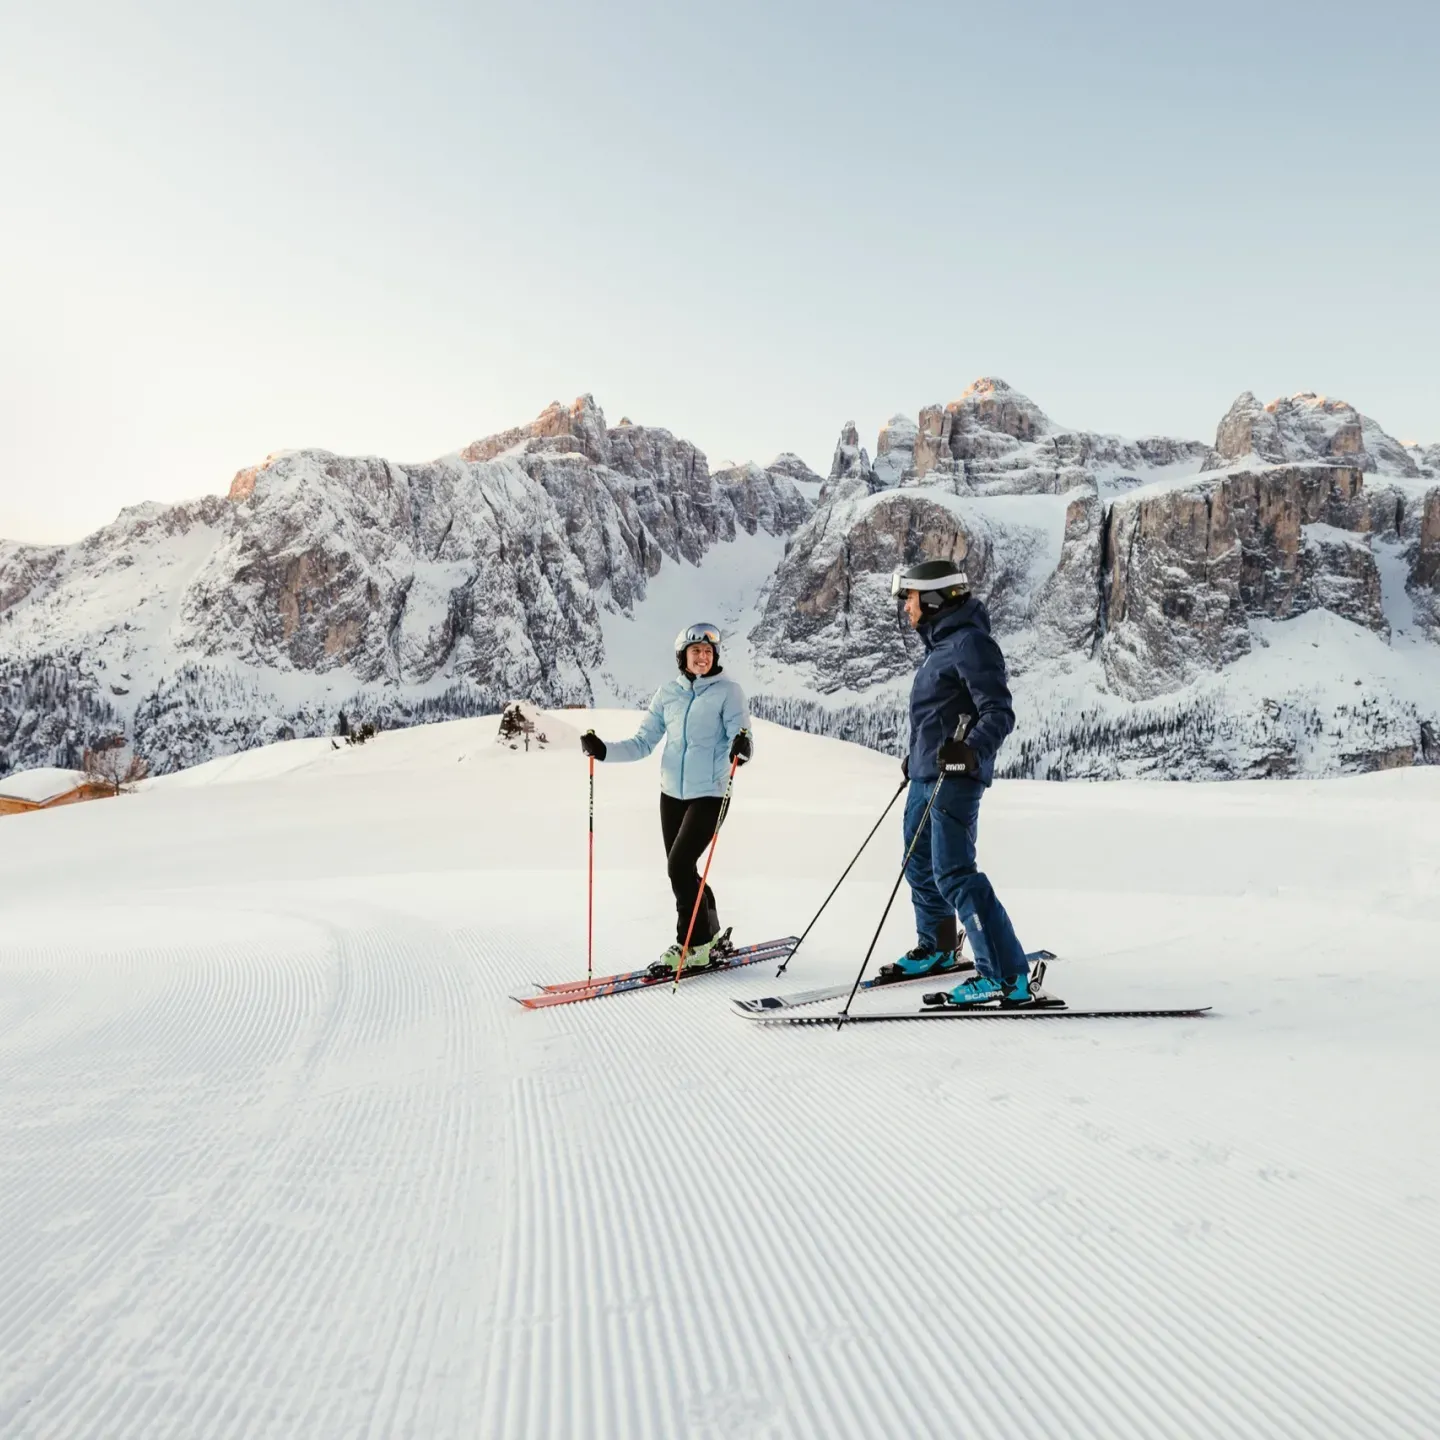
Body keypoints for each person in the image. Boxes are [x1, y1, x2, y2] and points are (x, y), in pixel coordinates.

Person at [887, 559, 1032, 1006]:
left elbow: (999, 711)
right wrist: (916, 759)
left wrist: (969, 751)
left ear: (933, 597)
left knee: (954, 872)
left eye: (909, 597)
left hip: (955, 777)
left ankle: (1005, 977)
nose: (905, 607)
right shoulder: (940, 645)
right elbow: (938, 714)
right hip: (926, 776)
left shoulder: (971, 643)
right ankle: (938, 948)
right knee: (919, 865)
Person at [580, 623, 752, 973]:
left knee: (677, 866)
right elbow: (643, 742)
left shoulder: (728, 692)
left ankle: (693, 944)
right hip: (671, 794)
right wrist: (603, 752)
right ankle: (711, 933)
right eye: (695, 652)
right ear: (682, 657)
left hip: (711, 793)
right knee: (684, 868)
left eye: (708, 652)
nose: (702, 657)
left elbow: (741, 733)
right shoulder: (667, 694)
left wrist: (743, 746)